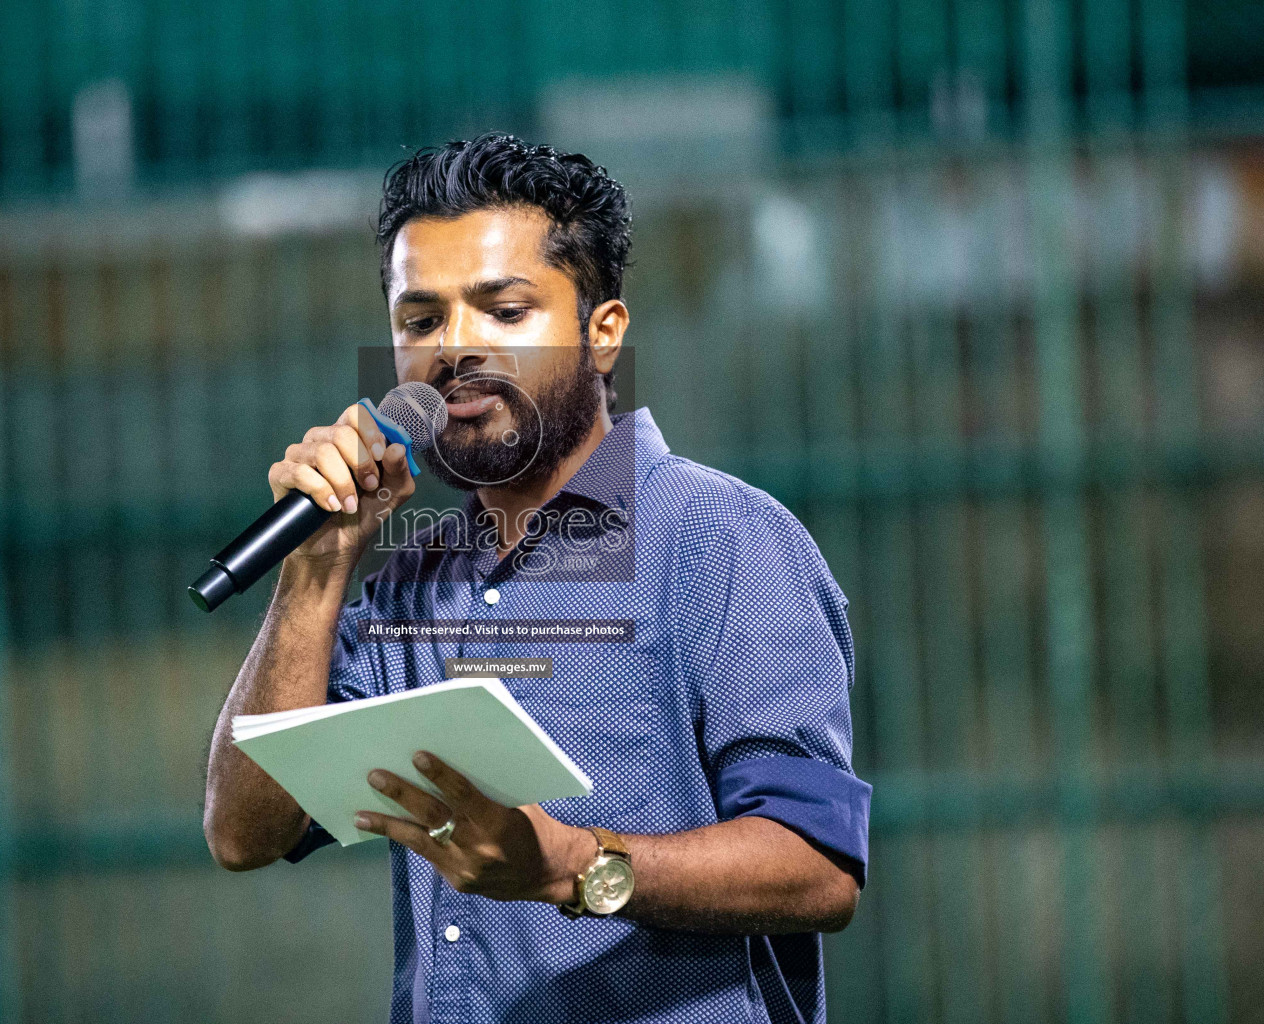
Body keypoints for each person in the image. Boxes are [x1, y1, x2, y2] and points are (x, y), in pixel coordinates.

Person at [203, 132, 870, 1024]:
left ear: (604, 335)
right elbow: (246, 831)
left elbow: (818, 868)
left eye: (505, 312)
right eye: (420, 320)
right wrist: (315, 574)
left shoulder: (724, 542)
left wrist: (569, 867)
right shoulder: (410, 590)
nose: (454, 349)